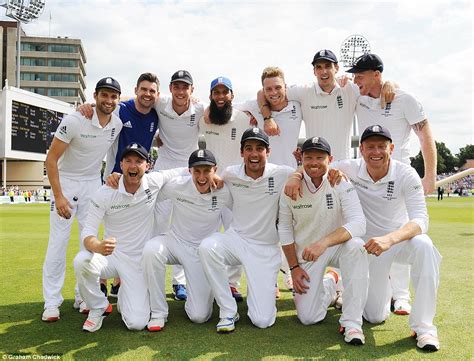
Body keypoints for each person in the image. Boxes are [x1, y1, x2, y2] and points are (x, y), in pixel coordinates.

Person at [286, 125, 441, 351]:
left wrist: (390, 239)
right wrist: (296, 174)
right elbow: (316, 165)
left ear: (392, 148)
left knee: (425, 245)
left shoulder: (405, 173)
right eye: (370, 146)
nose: (375, 151)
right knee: (375, 316)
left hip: (396, 243)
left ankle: (424, 328)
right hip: (363, 249)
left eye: (381, 146)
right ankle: (335, 282)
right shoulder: (347, 167)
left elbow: (421, 221)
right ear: (362, 149)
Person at [348, 53, 437, 315]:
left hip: (399, 178)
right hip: (368, 176)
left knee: (399, 232)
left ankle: (401, 296)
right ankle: (376, 292)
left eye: (360, 75)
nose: (356, 80)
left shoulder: (404, 99)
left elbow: (425, 136)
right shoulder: (359, 98)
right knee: (373, 234)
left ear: (377, 74)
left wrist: (429, 176)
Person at [74, 143, 186, 332]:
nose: (133, 166)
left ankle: (127, 292)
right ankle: (98, 306)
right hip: (112, 257)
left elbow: (185, 170)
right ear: (121, 165)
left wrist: (214, 174)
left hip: (139, 262)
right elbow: (88, 232)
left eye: (139, 161)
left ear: (147, 165)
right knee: (81, 261)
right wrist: (98, 246)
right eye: (128, 161)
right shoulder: (105, 192)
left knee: (136, 323)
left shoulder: (154, 181)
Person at [41, 77, 123, 322]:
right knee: (58, 243)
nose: (108, 101)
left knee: (87, 242)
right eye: (104, 95)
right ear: (95, 96)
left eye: (113, 96)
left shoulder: (116, 124)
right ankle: (52, 302)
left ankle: (82, 296)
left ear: (117, 100)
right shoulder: (75, 120)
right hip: (66, 181)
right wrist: (58, 195)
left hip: (91, 184)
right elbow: (50, 160)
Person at [199, 127, 294, 333]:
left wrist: (300, 173)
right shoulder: (231, 173)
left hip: (266, 248)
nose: (254, 154)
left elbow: (308, 172)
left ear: (268, 152)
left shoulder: (283, 173)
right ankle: (228, 310)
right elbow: (220, 187)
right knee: (207, 247)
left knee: (261, 320)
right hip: (237, 240)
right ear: (241, 152)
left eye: (259, 148)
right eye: (249, 148)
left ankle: (259, 294)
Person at [278, 136, 368, 345]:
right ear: (301, 158)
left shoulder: (339, 181)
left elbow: (358, 223)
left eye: (320, 157)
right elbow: (283, 228)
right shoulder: (290, 187)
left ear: (330, 159)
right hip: (308, 252)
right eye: (309, 157)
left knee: (357, 246)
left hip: (336, 246)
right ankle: (331, 281)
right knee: (309, 318)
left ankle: (352, 323)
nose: (314, 162)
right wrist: (294, 267)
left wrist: (324, 243)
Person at [78, 72, 161, 298]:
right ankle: (102, 281)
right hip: (115, 175)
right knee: (111, 225)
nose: (147, 94)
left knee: (132, 227)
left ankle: (118, 281)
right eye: (143, 89)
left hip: (138, 176)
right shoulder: (121, 108)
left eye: (152, 91)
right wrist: (87, 106)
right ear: (135, 90)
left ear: (157, 94)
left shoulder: (156, 114)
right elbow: (102, 107)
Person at [142, 149, 232, 331]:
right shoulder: (177, 185)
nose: (201, 176)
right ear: (189, 170)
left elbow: (246, 205)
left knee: (199, 316)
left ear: (215, 169)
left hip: (202, 252)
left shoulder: (224, 191)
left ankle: (208, 291)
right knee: (151, 250)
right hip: (174, 243)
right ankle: (158, 312)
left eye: (207, 170)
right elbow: (147, 191)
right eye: (197, 171)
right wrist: (117, 182)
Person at [199, 76, 253, 302]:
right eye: (216, 92)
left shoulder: (243, 117)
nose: (220, 97)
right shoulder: (203, 117)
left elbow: (264, 100)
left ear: (232, 95)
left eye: (225, 92)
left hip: (234, 187)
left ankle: (232, 284)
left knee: (236, 234)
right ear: (211, 95)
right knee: (205, 235)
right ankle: (204, 283)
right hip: (209, 186)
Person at [153, 70, 205, 301]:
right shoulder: (160, 102)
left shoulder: (200, 108)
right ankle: (151, 278)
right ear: (170, 88)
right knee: (159, 224)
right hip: (163, 169)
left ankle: (179, 282)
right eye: (177, 86)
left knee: (186, 225)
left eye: (185, 87)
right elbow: (131, 101)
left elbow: (231, 111)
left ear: (192, 90)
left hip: (188, 171)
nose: (181, 91)